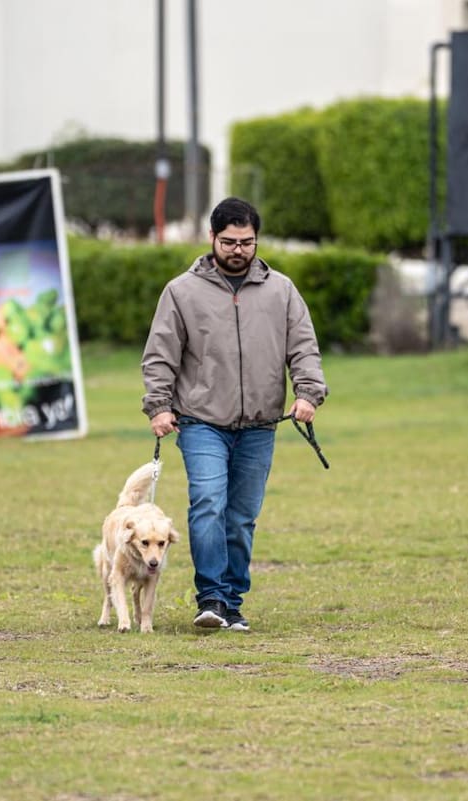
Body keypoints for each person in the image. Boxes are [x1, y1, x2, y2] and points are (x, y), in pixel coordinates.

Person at [141, 197, 328, 633]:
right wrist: (159, 405)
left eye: (246, 242)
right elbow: (160, 355)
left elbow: (304, 348)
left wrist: (308, 394)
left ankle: (232, 602)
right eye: (229, 242)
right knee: (208, 503)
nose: (238, 250)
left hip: (260, 425)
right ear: (212, 238)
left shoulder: (281, 291)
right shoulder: (181, 292)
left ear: (256, 239)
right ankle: (210, 597)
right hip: (200, 421)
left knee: (241, 518)